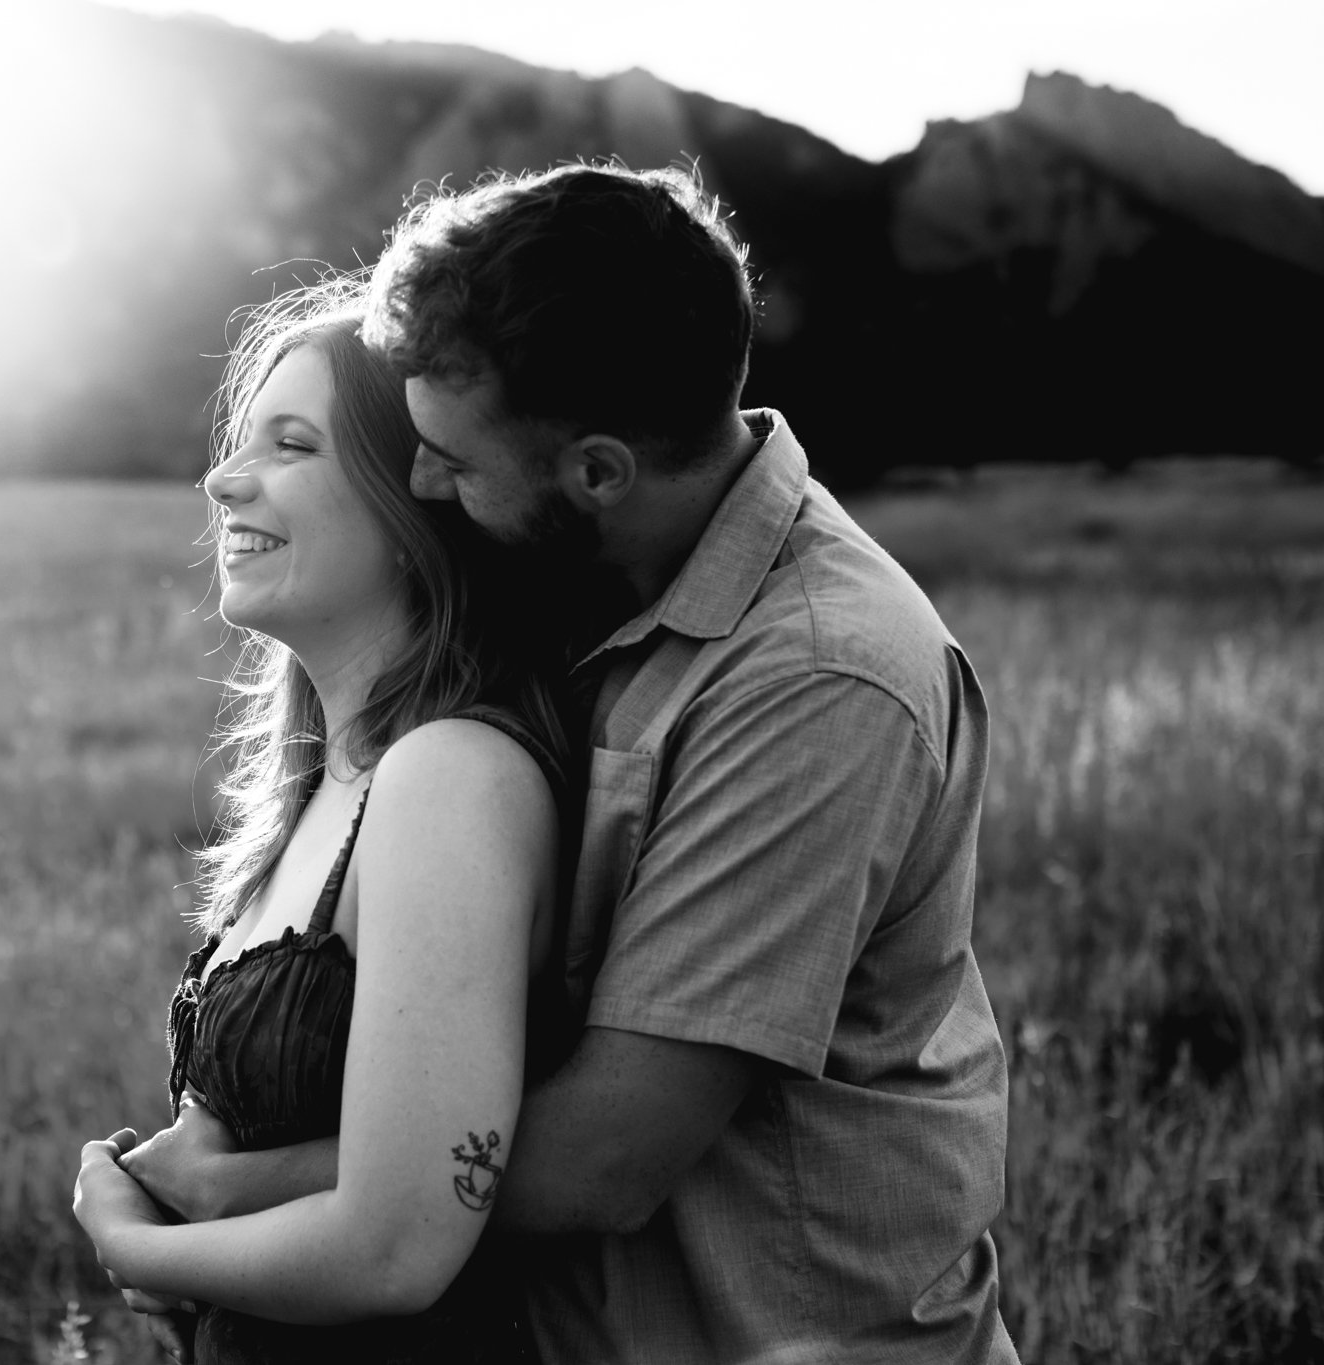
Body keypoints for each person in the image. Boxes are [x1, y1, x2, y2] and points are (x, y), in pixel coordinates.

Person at [112, 163, 1021, 1363]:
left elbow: (606, 1155)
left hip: (786, 1337)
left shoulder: (816, 678)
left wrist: (225, 1198)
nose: (426, 485)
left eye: (448, 459)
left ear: (595, 472)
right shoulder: (585, 583)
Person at [72, 278, 592, 1363]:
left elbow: (397, 1246)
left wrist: (135, 1248)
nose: (223, 479)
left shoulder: (449, 777)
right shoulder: (328, 782)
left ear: (413, 509)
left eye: (291, 445)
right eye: (237, 441)